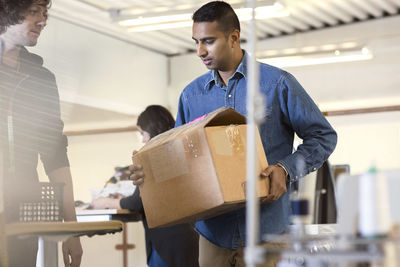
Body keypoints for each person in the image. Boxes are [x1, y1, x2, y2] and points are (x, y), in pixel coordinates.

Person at [131, 1, 337, 266]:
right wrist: (148, 175)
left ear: (234, 38)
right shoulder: (191, 96)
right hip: (213, 236)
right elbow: (176, 159)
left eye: (208, 41)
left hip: (268, 231)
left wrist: (285, 169)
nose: (200, 51)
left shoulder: (276, 84)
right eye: (196, 42)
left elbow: (323, 136)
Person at [0, 1, 83, 266]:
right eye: (34, 12)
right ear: (6, 12)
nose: (43, 21)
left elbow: (55, 155)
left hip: (24, 210)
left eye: (44, 14)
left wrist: (72, 228)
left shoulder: (41, 79)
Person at [91, 105, 199, 267]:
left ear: (152, 129)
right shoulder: (175, 153)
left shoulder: (153, 157)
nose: (142, 139)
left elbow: (138, 202)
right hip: (186, 238)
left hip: (167, 244)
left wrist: (106, 202)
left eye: (142, 133)